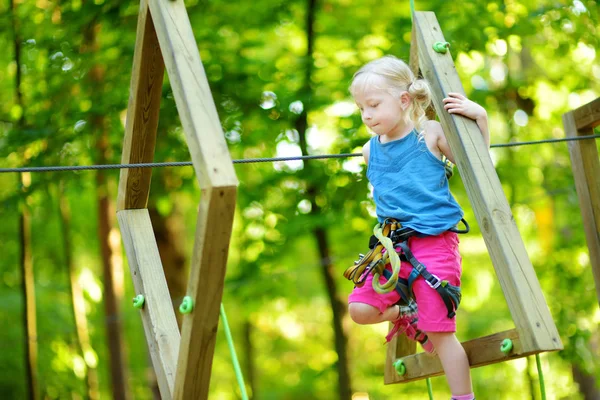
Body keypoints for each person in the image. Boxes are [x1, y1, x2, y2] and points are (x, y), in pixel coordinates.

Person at [346, 55, 489, 400]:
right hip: (392, 249)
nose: (366, 115)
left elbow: (478, 165)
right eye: (361, 108)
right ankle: (407, 311)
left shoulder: (430, 133)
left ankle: (462, 398)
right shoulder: (369, 151)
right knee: (359, 310)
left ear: (404, 100)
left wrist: (480, 117)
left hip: (434, 243)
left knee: (439, 333)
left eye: (374, 105)